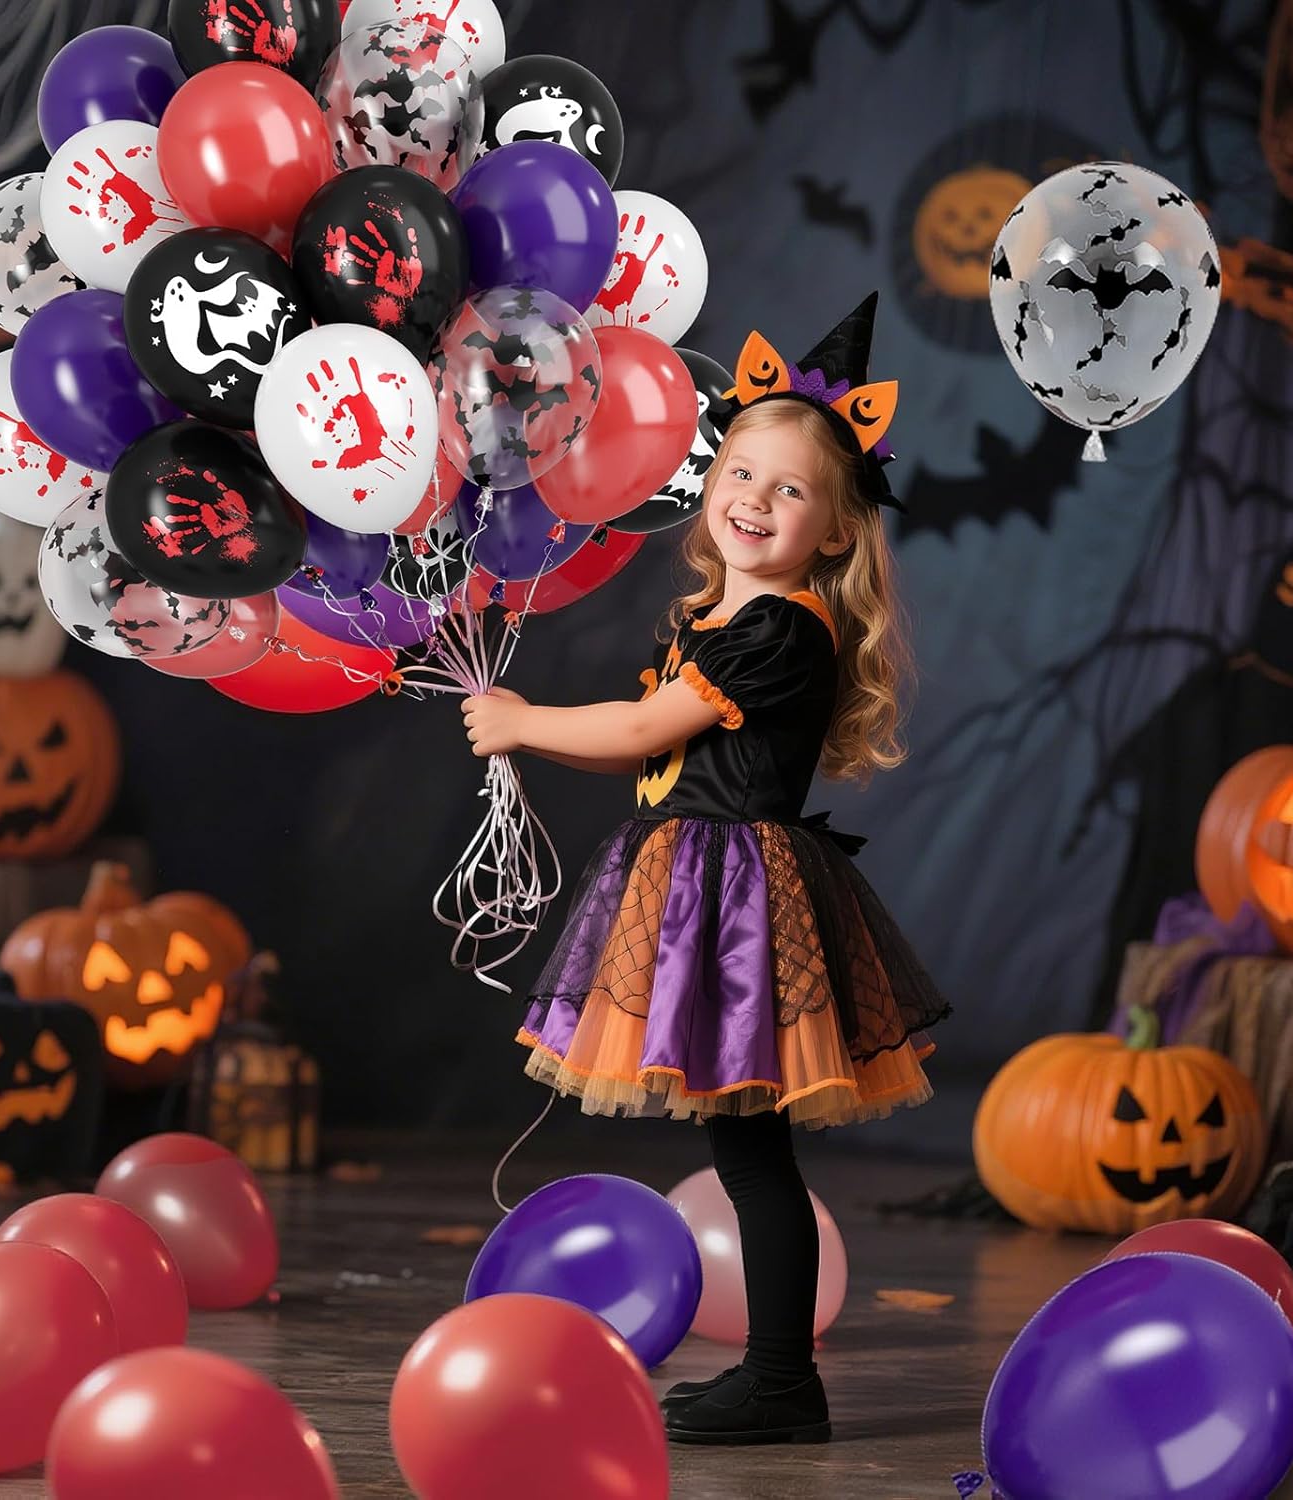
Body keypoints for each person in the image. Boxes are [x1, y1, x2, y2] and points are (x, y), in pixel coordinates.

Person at [461, 293, 950, 1446]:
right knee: (742, 1147)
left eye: (792, 491)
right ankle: (777, 1377)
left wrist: (523, 721)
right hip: (701, 892)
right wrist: (531, 730)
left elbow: (642, 731)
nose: (757, 500)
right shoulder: (714, 621)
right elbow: (651, 748)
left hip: (740, 907)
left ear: (836, 532)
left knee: (753, 1150)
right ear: (710, 482)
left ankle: (782, 1382)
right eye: (742, 472)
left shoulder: (782, 630)